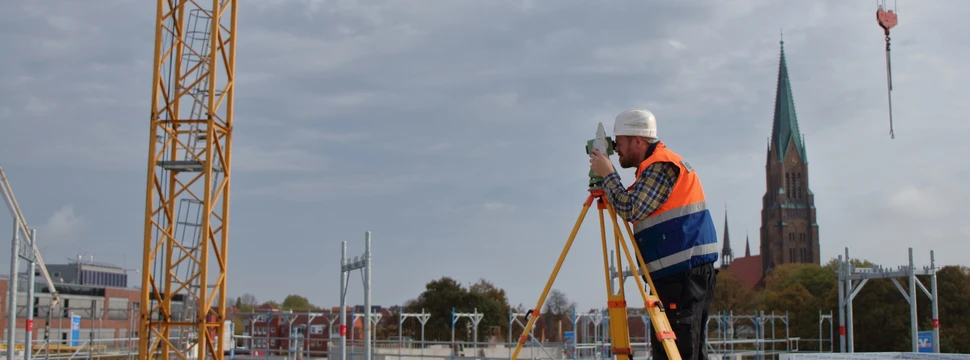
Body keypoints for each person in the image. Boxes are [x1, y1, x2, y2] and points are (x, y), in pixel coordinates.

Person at [588, 108, 719, 360]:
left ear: (638, 140)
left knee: (678, 353)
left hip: (682, 278)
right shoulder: (652, 168)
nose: (616, 149)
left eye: (621, 142)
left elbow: (630, 206)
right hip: (681, 276)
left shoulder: (661, 166)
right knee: (685, 352)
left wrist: (608, 174)